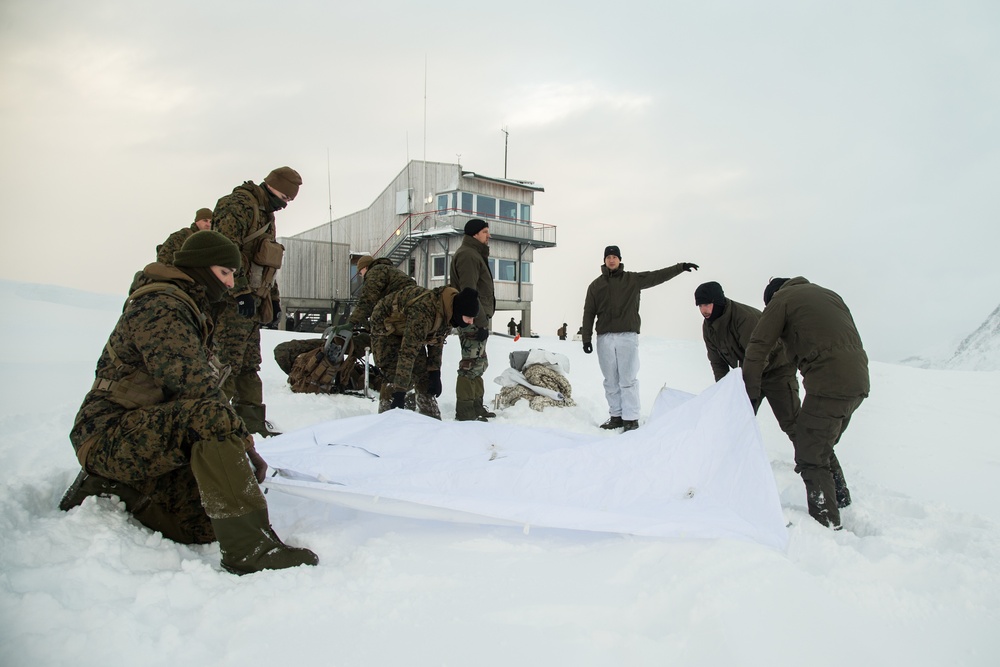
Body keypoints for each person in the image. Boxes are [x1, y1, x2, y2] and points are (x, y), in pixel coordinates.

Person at [60, 231, 317, 574]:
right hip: (108, 434)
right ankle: (251, 551)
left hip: (143, 433)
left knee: (203, 526)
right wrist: (243, 441)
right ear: (200, 267)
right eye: (224, 273)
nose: (229, 284)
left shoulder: (189, 308)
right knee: (210, 416)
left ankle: (116, 486)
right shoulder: (162, 308)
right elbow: (196, 388)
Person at [742, 277, 870, 530]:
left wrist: (747, 394)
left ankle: (827, 526)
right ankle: (842, 500)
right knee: (819, 445)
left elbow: (758, 347)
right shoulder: (828, 294)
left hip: (828, 383)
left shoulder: (782, 300)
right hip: (858, 381)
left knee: (810, 454)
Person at [212, 166, 301, 437]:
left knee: (249, 365)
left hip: (252, 303)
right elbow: (224, 251)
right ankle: (210, 424)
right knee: (227, 364)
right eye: (284, 197)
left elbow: (268, 263)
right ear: (272, 186)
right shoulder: (237, 205)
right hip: (231, 303)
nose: (285, 204)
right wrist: (239, 293)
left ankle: (250, 426)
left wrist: (273, 301)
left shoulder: (266, 214)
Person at [581, 245, 699, 432]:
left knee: (628, 379)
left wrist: (680, 267)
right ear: (604, 260)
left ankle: (631, 418)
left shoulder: (632, 280)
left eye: (614, 256)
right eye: (608, 257)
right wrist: (586, 338)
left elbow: (657, 276)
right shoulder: (596, 286)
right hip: (604, 338)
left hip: (627, 336)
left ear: (620, 259)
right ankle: (616, 416)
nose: (611, 260)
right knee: (610, 380)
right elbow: (589, 312)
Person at [694, 281, 799, 443]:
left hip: (777, 370)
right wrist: (725, 391)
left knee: (791, 422)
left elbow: (758, 356)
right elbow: (717, 362)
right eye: (700, 306)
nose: (703, 310)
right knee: (737, 421)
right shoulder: (709, 327)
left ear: (718, 302)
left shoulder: (744, 318)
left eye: (707, 304)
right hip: (750, 372)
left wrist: (748, 393)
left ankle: (816, 464)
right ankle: (736, 459)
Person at [370, 284, 481, 418]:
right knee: (394, 371)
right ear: (459, 311)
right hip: (385, 325)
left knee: (423, 373)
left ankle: (429, 418)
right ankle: (388, 416)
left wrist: (435, 373)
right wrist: (399, 392)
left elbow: (436, 342)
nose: (471, 322)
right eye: (468, 317)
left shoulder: (448, 312)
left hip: (408, 327)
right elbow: (408, 351)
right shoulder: (424, 311)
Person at [449, 219, 497, 421]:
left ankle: (476, 406)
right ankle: (466, 411)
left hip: (478, 318)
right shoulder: (468, 255)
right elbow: (469, 292)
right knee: (470, 365)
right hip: (472, 320)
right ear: (475, 234)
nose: (488, 235)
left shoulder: (474, 253)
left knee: (479, 363)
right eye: (485, 232)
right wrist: (479, 321)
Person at [348, 255, 416, 331]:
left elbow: (368, 298)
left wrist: (352, 322)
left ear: (365, 267)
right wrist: (362, 316)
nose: (362, 276)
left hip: (402, 299)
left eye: (360, 272)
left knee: (378, 322)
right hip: (413, 300)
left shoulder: (375, 271)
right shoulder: (387, 269)